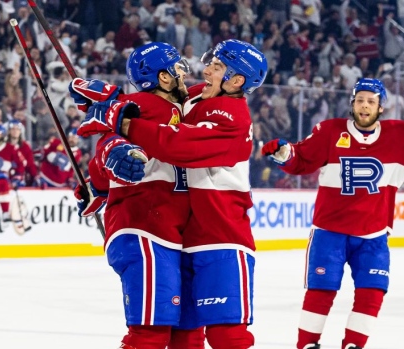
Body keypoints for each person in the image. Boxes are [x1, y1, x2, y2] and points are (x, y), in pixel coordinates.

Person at [80, 39, 268, 349]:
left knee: (222, 336)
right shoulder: (190, 100)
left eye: (217, 67)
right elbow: (142, 114)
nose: (202, 71)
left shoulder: (235, 117)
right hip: (177, 238)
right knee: (173, 334)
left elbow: (177, 144)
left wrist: (120, 119)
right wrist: (112, 102)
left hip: (223, 236)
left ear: (236, 81)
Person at [260, 78, 404, 349]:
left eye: (371, 101)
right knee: (321, 292)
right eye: (360, 100)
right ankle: (308, 344)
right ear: (352, 103)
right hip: (329, 233)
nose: (364, 106)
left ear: (381, 107)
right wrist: (284, 154)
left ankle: (354, 344)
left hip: (373, 235)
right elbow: (301, 158)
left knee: (372, 293)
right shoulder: (329, 132)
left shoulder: (400, 134)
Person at [68, 42, 205, 349]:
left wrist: (98, 185)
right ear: (164, 78)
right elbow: (109, 144)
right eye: (178, 69)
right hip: (146, 231)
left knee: (190, 336)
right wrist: (110, 159)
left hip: (178, 235)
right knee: (150, 334)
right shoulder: (140, 105)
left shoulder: (184, 109)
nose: (184, 74)